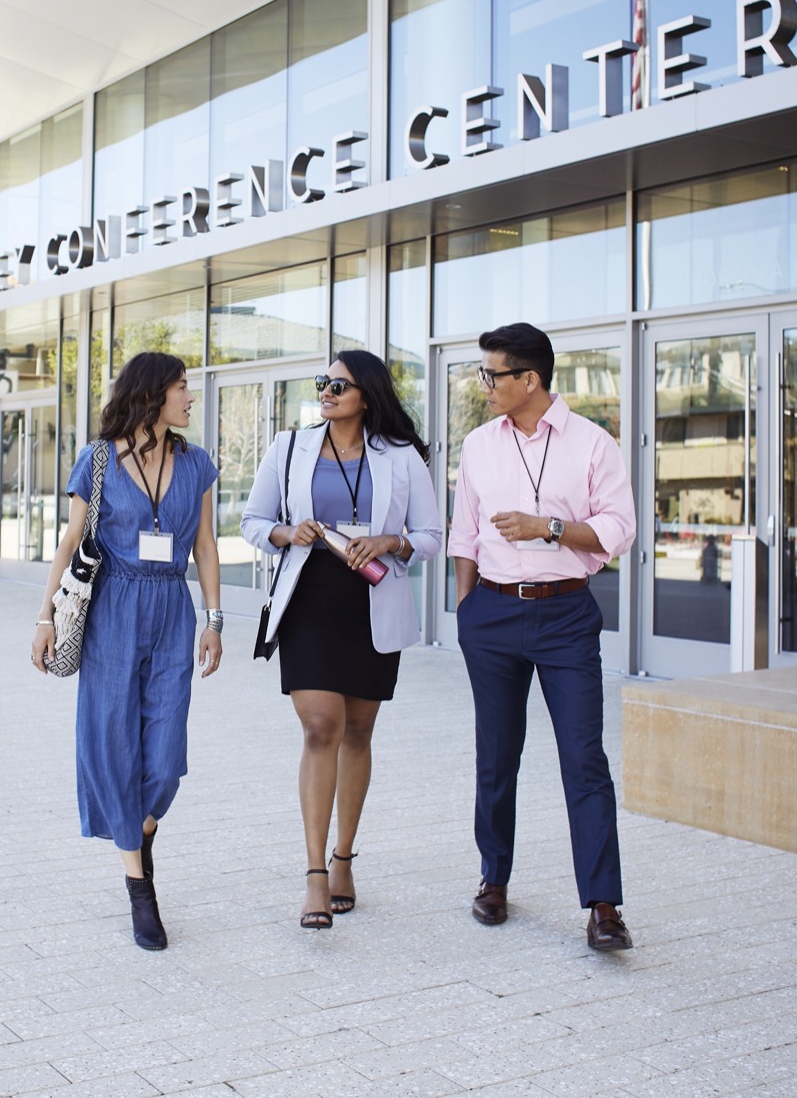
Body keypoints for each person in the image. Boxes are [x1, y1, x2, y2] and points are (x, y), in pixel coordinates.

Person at [448, 322, 637, 951]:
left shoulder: (592, 444)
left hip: (564, 616)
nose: (484, 386)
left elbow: (618, 528)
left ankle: (603, 906)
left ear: (530, 379)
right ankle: (493, 879)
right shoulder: (478, 445)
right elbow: (465, 532)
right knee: (496, 757)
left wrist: (547, 527)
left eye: (492, 375)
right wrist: (466, 607)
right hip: (493, 615)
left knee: (585, 759)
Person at [242, 350, 442, 929]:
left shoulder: (401, 458)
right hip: (309, 598)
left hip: (371, 601)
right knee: (319, 726)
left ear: (367, 394)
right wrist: (286, 530)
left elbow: (430, 535)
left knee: (358, 730)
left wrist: (390, 543)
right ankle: (314, 875)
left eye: (339, 384)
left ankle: (345, 857)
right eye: (322, 383)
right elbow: (253, 522)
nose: (326, 391)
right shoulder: (289, 449)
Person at [30, 351, 222, 951]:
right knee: (112, 739)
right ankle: (140, 889)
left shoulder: (197, 466)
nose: (191, 398)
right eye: (183, 388)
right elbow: (68, 544)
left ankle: (138, 832)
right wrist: (44, 618)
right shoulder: (97, 462)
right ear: (152, 395)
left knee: (163, 757)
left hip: (170, 608)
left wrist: (214, 620)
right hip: (113, 608)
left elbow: (207, 548)